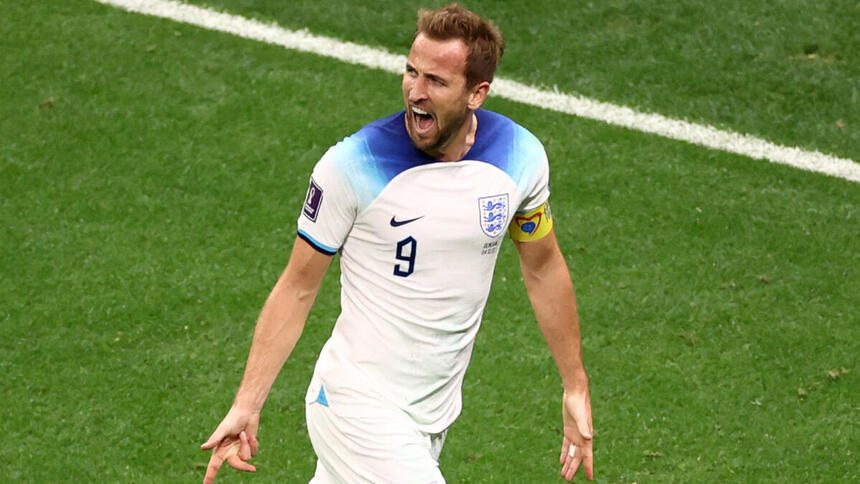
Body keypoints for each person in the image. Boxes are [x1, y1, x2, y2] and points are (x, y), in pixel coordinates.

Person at [201, 3, 593, 483]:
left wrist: (575, 386)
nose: (415, 91)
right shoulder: (352, 165)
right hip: (354, 404)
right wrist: (247, 402)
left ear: (477, 93)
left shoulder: (521, 157)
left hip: (430, 416)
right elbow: (298, 286)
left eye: (436, 80)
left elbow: (543, 268)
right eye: (411, 71)